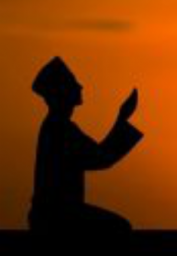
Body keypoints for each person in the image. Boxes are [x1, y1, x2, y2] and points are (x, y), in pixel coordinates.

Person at [28, 57, 143, 233]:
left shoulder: (58, 125)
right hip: (57, 217)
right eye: (73, 83)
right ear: (62, 92)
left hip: (53, 214)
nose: (80, 86)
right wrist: (122, 119)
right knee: (119, 229)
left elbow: (99, 155)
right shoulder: (60, 129)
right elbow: (101, 158)